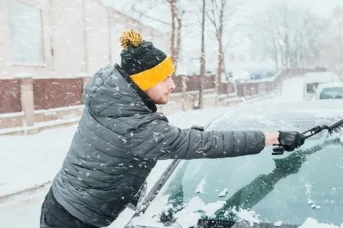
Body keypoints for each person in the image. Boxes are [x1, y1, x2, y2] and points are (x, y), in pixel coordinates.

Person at [40, 30, 305, 228]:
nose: (173, 85)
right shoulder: (136, 126)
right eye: (165, 78)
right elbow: (203, 145)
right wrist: (273, 137)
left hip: (61, 205)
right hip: (75, 220)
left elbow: (134, 147)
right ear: (144, 82)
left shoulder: (112, 99)